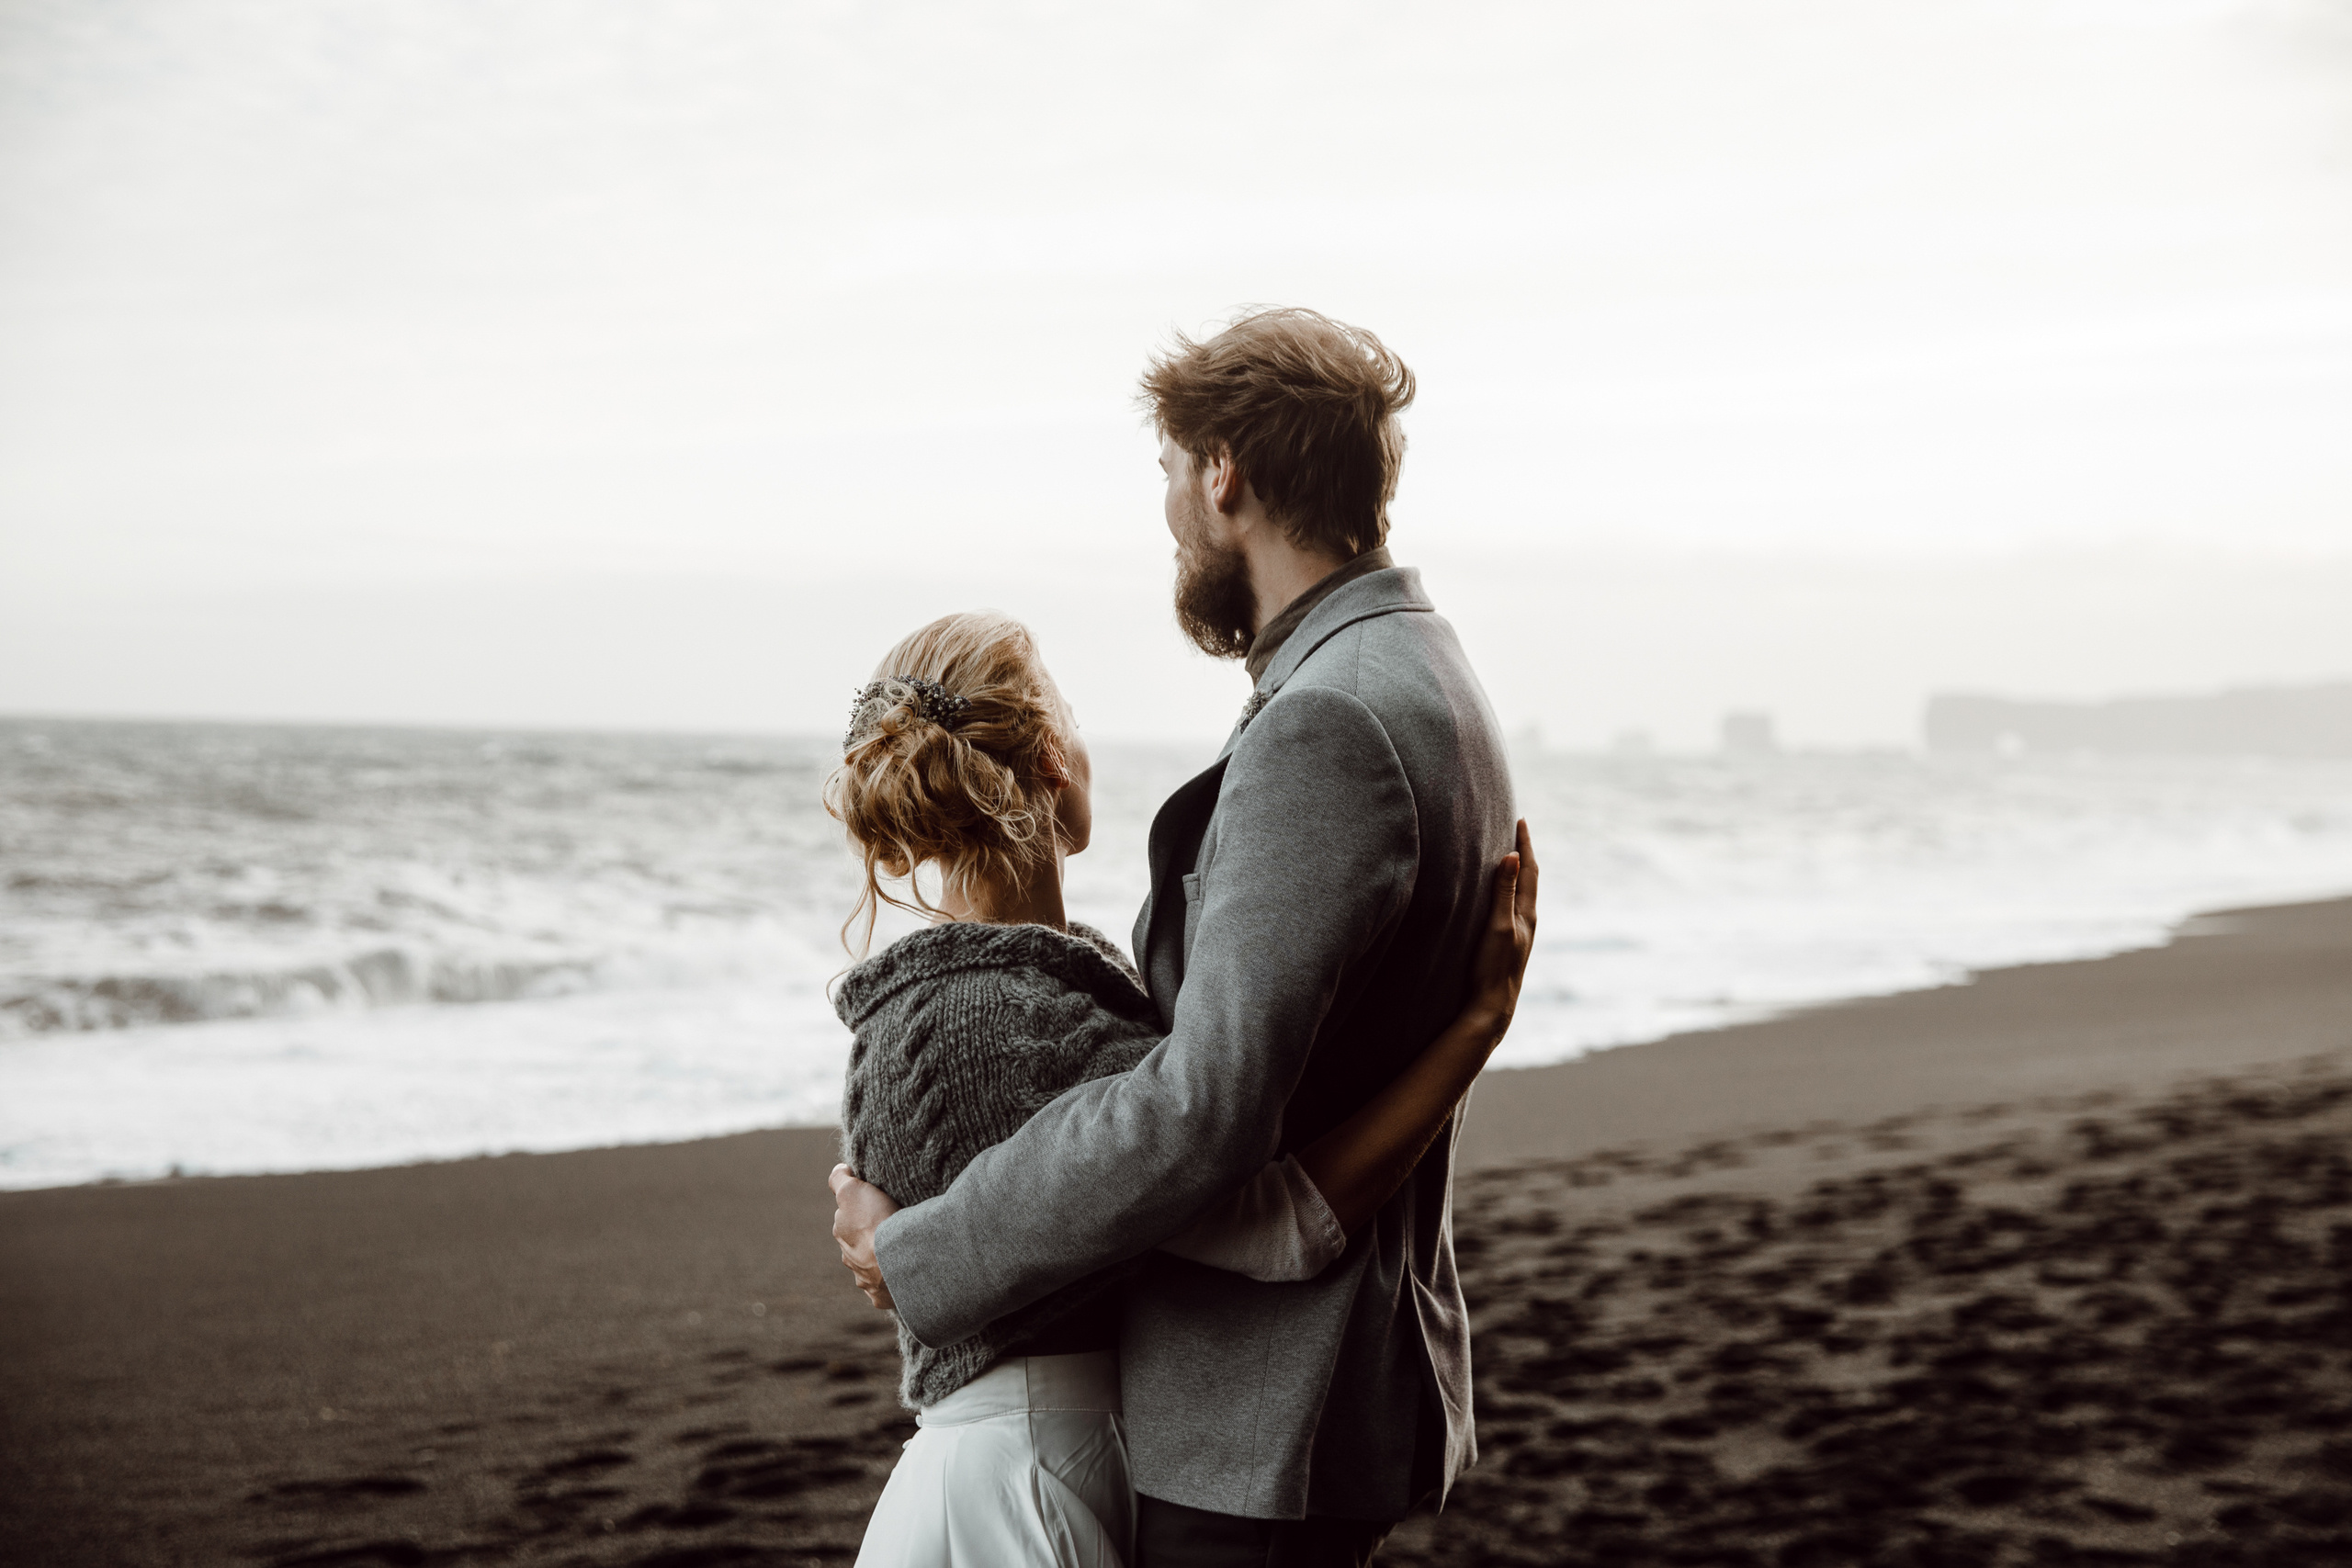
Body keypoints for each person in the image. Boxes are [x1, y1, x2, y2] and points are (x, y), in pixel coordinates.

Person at [831, 308, 1519, 1566]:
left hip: (1264, 1407)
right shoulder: (1422, 672)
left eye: (1166, 472)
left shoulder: (1326, 719)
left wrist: (919, 1247)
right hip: (1306, 1393)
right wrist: (1472, 1031)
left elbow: (1200, 1111)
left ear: (1222, 475)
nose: (1166, 516)